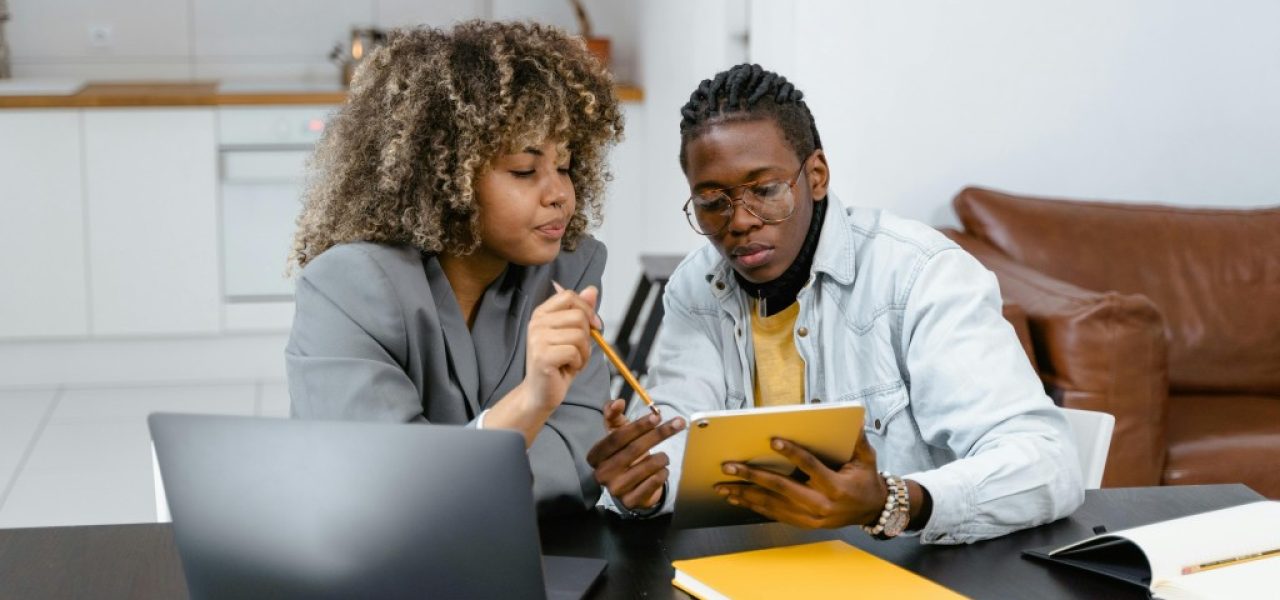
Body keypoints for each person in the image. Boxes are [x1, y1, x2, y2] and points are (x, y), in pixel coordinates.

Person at [588, 64, 1083, 543]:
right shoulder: (695, 286)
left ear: (817, 175)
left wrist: (893, 501)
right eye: (713, 201)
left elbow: (1046, 461)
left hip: (908, 570)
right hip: (754, 572)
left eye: (765, 190)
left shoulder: (919, 274)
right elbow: (678, 437)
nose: (739, 221)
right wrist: (648, 486)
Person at [286, 21, 623, 517]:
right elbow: (380, 495)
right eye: (524, 171)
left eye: (566, 165)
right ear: (447, 178)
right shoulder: (347, 288)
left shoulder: (568, 272)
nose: (560, 194)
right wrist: (531, 404)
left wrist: (446, 479)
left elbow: (575, 468)